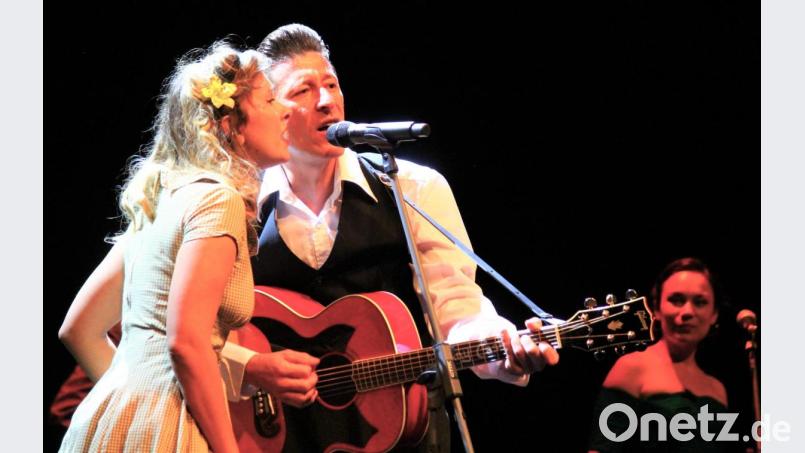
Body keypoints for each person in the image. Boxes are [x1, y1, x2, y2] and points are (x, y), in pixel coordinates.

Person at [218, 23, 559, 450]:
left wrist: (500, 348)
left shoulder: (413, 188)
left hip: (404, 432)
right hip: (284, 435)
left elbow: (455, 307)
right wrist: (251, 367)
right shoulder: (239, 203)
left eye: (331, 84)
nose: (327, 102)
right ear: (271, 110)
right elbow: (196, 327)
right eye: (303, 91)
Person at [57, 41, 291, 452]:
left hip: (104, 422)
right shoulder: (219, 201)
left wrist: (133, 401)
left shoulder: (161, 199)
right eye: (271, 100)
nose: (285, 110)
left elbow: (78, 329)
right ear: (230, 125)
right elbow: (186, 342)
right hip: (168, 431)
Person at [588, 257, 730, 453]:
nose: (688, 311)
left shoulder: (717, 390)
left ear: (714, 314)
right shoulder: (632, 368)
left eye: (700, 302)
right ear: (656, 309)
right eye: (676, 300)